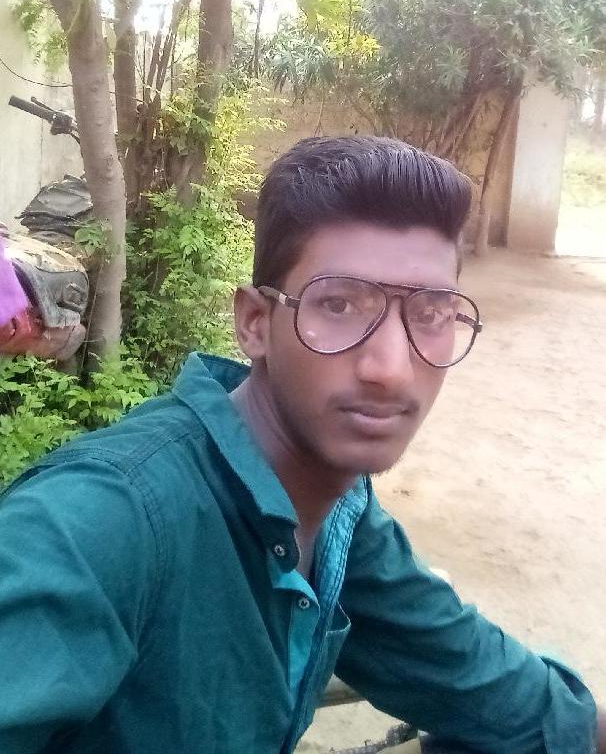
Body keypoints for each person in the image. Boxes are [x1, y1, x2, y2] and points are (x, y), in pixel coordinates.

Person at [0, 137, 602, 754]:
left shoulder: (338, 515)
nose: (390, 369)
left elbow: (503, 694)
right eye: (338, 305)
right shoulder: (98, 525)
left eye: (431, 313)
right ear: (255, 323)